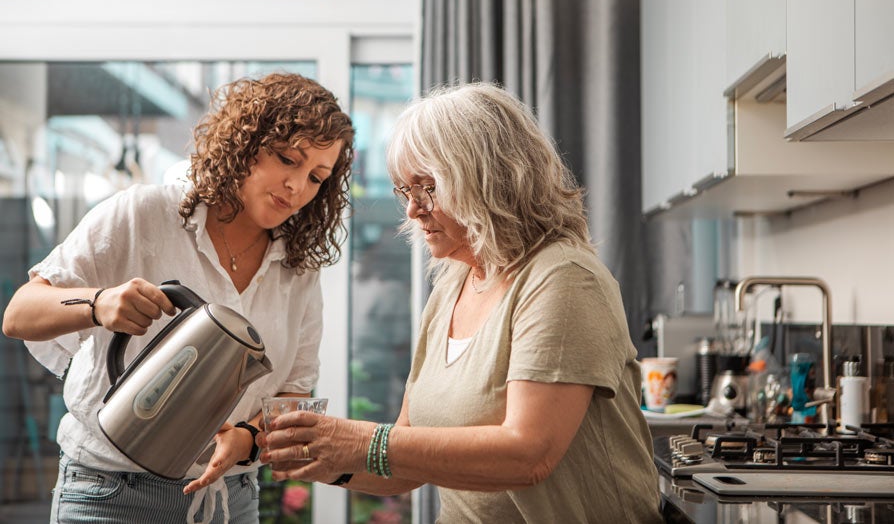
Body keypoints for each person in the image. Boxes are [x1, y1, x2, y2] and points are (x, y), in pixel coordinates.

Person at [258, 82, 662, 523]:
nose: (412, 210)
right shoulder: (452, 287)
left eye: (428, 187)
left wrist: (362, 442)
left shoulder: (563, 278)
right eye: (405, 191)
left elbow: (529, 454)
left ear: (489, 178)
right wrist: (323, 458)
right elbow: (404, 466)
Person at [2, 72, 354, 523]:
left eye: (316, 178)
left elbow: (294, 392)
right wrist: (98, 304)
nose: (297, 187)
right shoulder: (144, 214)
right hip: (109, 495)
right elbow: (18, 314)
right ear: (246, 142)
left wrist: (247, 439)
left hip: (230, 499)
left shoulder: (298, 269)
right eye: (288, 159)